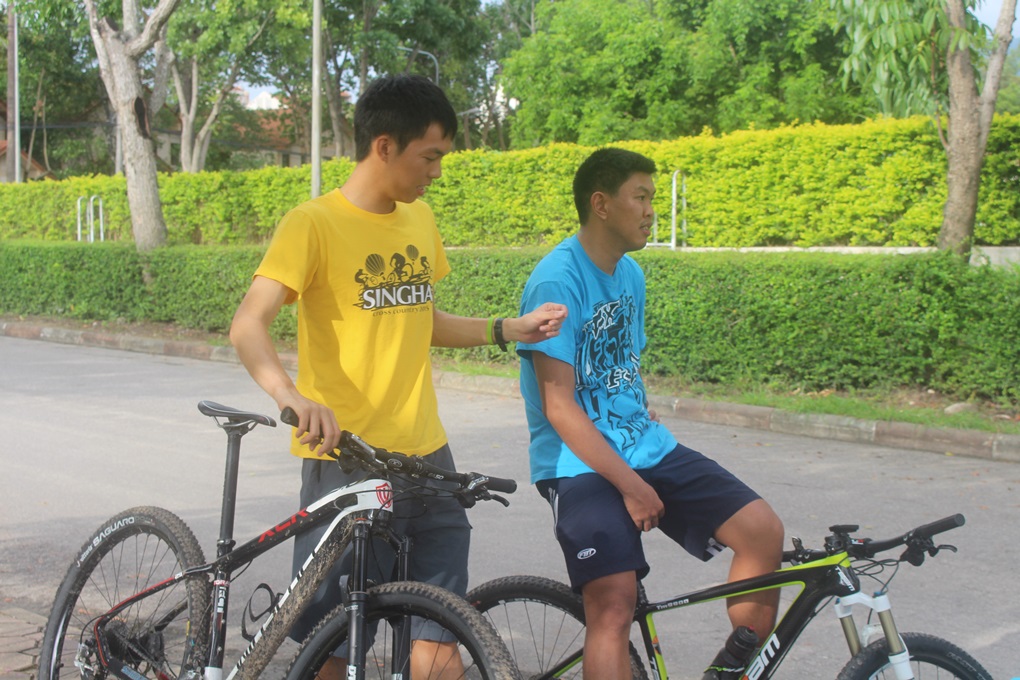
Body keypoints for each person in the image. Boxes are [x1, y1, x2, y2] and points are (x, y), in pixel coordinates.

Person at [229, 74, 567, 678]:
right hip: (345, 457)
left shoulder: (418, 220)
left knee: (442, 632)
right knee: (333, 643)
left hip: (428, 457)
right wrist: (291, 397)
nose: (436, 171)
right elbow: (248, 324)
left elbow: (421, 318)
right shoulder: (313, 224)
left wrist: (506, 329)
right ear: (384, 146)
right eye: (429, 156)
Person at [515, 147, 784, 680]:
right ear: (601, 204)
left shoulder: (630, 274)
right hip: (577, 463)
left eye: (652, 198)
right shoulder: (557, 281)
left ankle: (730, 673)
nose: (651, 211)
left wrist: (637, 413)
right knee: (613, 604)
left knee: (762, 531)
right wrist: (633, 486)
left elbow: (619, 365)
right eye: (640, 197)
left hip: (642, 444)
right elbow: (559, 406)